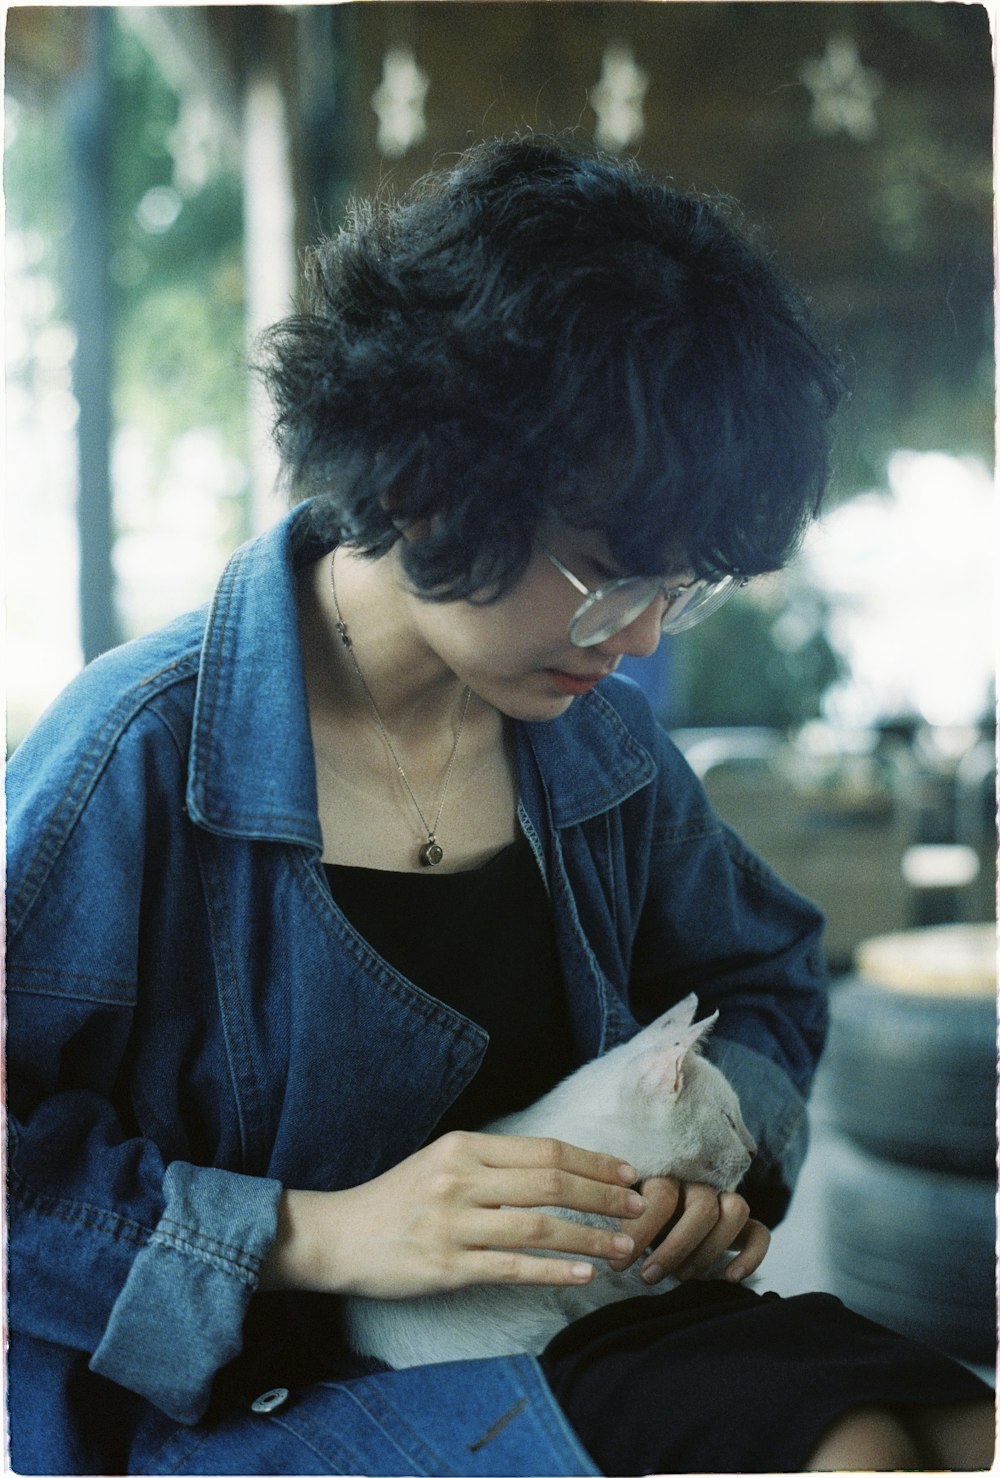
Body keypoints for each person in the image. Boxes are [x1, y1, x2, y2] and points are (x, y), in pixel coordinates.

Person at [6, 134, 993, 1476]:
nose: (639, 638)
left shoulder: (603, 747)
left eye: (679, 588)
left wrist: (715, 1172)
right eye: (607, 574)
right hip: (244, 1404)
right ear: (424, 477)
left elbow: (763, 973)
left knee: (928, 1431)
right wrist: (321, 1231)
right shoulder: (133, 752)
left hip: (570, 1331)